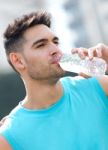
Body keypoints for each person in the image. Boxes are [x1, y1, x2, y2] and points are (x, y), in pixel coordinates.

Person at [0, 11, 108, 150]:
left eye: (55, 42)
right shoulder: (10, 136)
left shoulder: (97, 87)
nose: (55, 49)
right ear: (18, 61)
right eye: (41, 45)